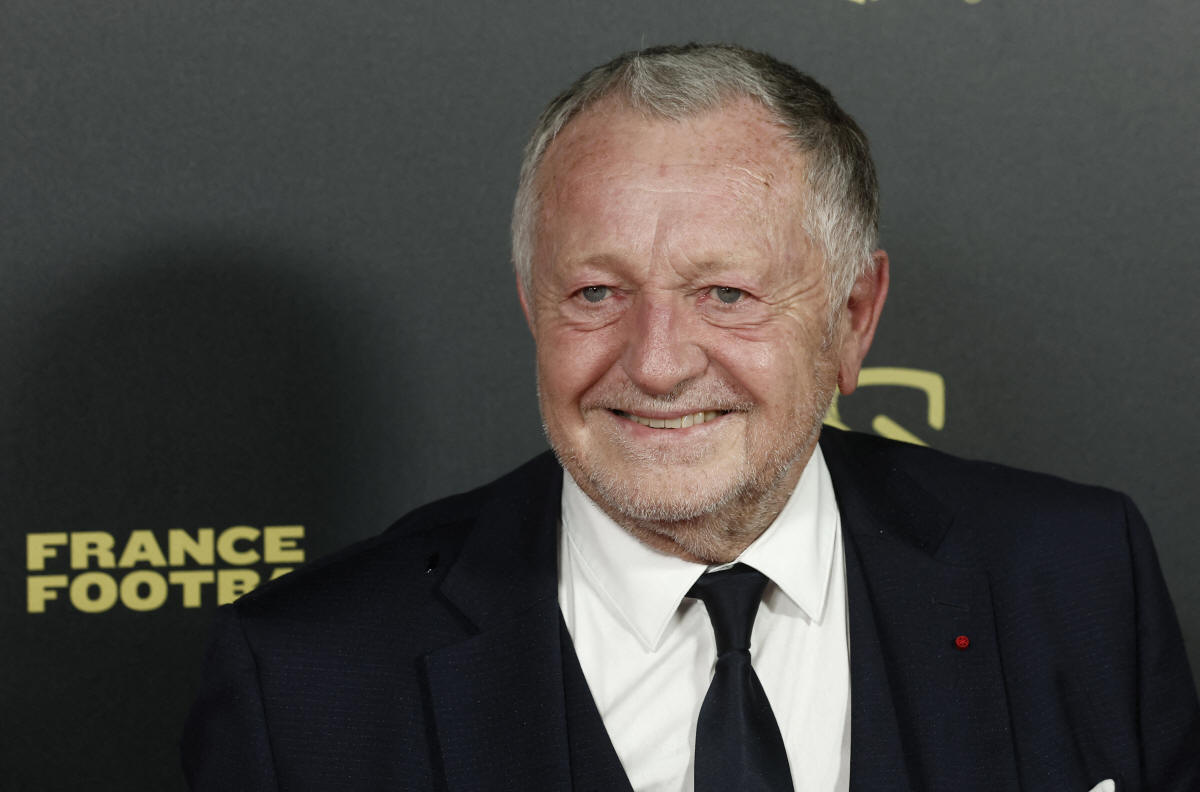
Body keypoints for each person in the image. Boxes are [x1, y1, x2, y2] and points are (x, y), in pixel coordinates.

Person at [182, 44, 1200, 791]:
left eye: (727, 294)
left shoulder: (1076, 577)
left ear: (852, 319)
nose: (658, 363)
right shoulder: (309, 680)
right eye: (596, 293)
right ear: (533, 306)